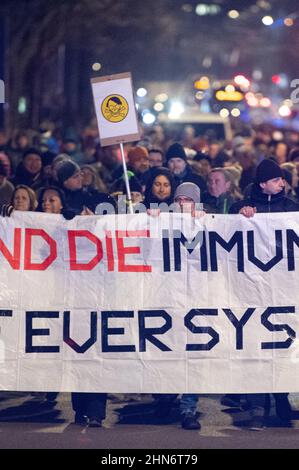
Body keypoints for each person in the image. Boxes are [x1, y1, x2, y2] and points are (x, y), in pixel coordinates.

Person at [229, 158, 299, 423]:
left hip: (283, 289)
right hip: (253, 289)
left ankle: (281, 398)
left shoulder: (292, 208)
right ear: (262, 184)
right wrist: (240, 214)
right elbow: (224, 229)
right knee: (256, 346)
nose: (281, 183)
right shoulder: (245, 207)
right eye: (275, 179)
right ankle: (258, 403)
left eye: (281, 179)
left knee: (281, 346)